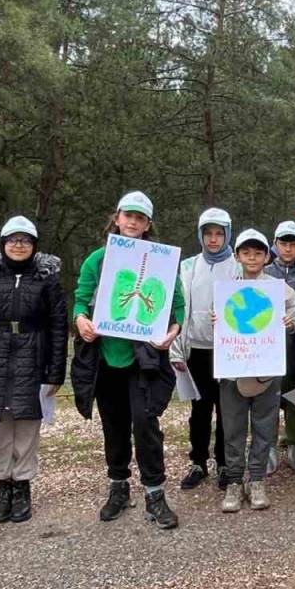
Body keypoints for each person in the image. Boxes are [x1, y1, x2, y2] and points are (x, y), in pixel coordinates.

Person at [72, 191, 184, 529]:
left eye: (140, 218)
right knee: (114, 424)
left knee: (145, 424)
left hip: (143, 359)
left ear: (148, 224)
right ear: (117, 218)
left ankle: (154, 493)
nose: (133, 222)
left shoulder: (162, 260)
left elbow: (177, 305)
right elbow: (80, 299)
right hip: (107, 358)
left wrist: (172, 332)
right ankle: (118, 486)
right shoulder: (97, 259)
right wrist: (81, 320)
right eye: (128, 215)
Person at [0, 216, 66, 524]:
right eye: (13, 240)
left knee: (27, 426)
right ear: (3, 243)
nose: (18, 245)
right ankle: (2, 486)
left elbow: (58, 327)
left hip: (33, 355)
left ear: (34, 245)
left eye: (25, 240)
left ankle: (22, 486)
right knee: (0, 427)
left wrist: (55, 372)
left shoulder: (47, 280)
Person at [219, 229, 295, 513]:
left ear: (267, 257)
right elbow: (218, 322)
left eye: (258, 253)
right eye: (246, 253)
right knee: (233, 427)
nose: (252, 258)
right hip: (233, 369)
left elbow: (294, 309)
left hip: (267, 368)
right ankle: (233, 481)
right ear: (237, 256)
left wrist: (289, 323)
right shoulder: (227, 289)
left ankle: (257, 480)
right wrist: (218, 319)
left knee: (265, 426)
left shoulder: (278, 289)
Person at [170, 208, 238, 492]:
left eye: (219, 233)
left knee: (226, 410)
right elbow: (178, 309)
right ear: (200, 235)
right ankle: (198, 461)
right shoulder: (188, 266)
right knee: (200, 409)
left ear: (227, 235)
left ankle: (224, 462)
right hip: (195, 349)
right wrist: (177, 349)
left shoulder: (238, 266)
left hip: (227, 350)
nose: (213, 239)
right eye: (208, 233)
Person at [266, 219, 295, 472]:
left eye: (293, 244)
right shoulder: (264, 272)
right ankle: (267, 446)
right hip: (266, 348)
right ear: (275, 244)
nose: (288, 248)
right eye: (283, 243)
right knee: (268, 396)